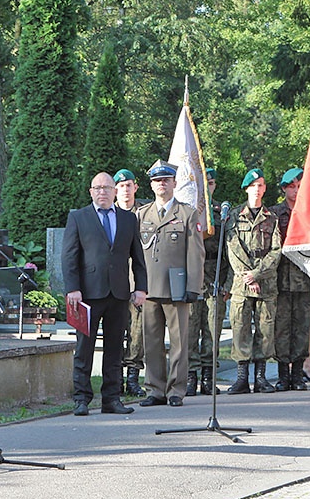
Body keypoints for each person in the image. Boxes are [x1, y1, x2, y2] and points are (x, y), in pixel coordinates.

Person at [62, 172, 148, 416]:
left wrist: (140, 287)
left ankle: (112, 398)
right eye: (97, 188)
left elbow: (138, 258)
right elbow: (69, 256)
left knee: (114, 348)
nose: (102, 192)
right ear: (91, 191)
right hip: (87, 294)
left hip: (119, 293)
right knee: (84, 348)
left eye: (107, 188)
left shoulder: (128, 219)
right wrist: (72, 289)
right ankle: (81, 398)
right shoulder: (78, 217)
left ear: (114, 191)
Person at [136, 160, 204, 407]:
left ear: (174, 183)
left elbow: (195, 254)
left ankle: (176, 390)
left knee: (178, 342)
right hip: (150, 288)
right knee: (151, 342)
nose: (161, 184)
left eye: (165, 180)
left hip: (177, 288)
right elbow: (134, 256)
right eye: (156, 180)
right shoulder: (142, 215)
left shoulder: (187, 213)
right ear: (151, 185)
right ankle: (154, 389)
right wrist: (136, 287)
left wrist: (193, 287)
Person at [225, 168, 282, 394]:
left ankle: (260, 378)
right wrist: (248, 276)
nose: (257, 189)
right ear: (246, 188)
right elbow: (233, 249)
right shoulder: (234, 217)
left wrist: (257, 274)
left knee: (265, 330)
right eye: (253, 185)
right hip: (241, 284)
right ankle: (241, 378)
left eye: (261, 185)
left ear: (265, 188)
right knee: (240, 329)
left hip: (266, 283)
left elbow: (276, 250)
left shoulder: (272, 218)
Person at [186, 167, 230, 396]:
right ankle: (191, 375)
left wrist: (228, 283)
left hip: (216, 278)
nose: (208, 187)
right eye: (204, 183)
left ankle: (208, 376)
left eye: (211, 183)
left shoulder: (220, 213)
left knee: (212, 330)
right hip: (193, 277)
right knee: (191, 330)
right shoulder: (187, 212)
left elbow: (230, 252)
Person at [271, 168, 310, 391]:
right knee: (281, 329)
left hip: (305, 280)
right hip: (280, 280)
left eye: (299, 186)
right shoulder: (274, 214)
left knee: (301, 328)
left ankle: (298, 374)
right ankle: (282, 375)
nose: (295, 191)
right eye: (290, 186)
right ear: (284, 189)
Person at [113, 168, 151, 397]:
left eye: (129, 185)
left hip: (138, 283)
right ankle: (116, 378)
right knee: (117, 332)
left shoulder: (146, 214)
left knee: (138, 334)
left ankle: (133, 379)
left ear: (136, 187)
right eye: (121, 186)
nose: (125, 190)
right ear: (115, 190)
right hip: (117, 283)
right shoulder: (109, 214)